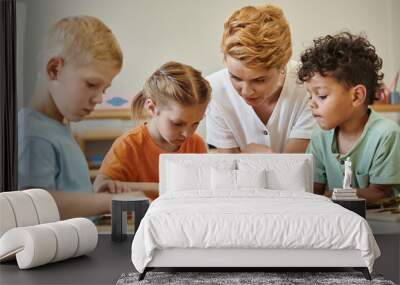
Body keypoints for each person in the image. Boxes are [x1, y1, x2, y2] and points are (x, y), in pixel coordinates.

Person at [18, 15, 124, 219]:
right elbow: (31, 205)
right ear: (54, 69)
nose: (100, 99)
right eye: (92, 84)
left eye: (105, 89)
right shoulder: (33, 135)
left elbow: (63, 192)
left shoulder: (57, 125)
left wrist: (93, 194)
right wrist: (106, 203)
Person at [298, 32, 400, 203]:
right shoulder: (319, 137)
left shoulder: (386, 134)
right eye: (310, 96)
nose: (311, 104)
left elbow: (381, 194)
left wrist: (331, 196)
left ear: (356, 96)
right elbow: (313, 189)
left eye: (321, 96)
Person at [206, 4, 316, 153]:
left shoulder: (309, 86)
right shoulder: (214, 90)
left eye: (259, 80)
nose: (246, 92)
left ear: (282, 66)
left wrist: (263, 157)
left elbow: (294, 168)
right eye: (235, 77)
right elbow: (230, 169)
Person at [93, 61, 211, 200]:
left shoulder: (196, 144)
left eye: (196, 123)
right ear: (152, 108)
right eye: (177, 123)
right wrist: (160, 188)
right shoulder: (128, 145)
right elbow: (100, 186)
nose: (187, 133)